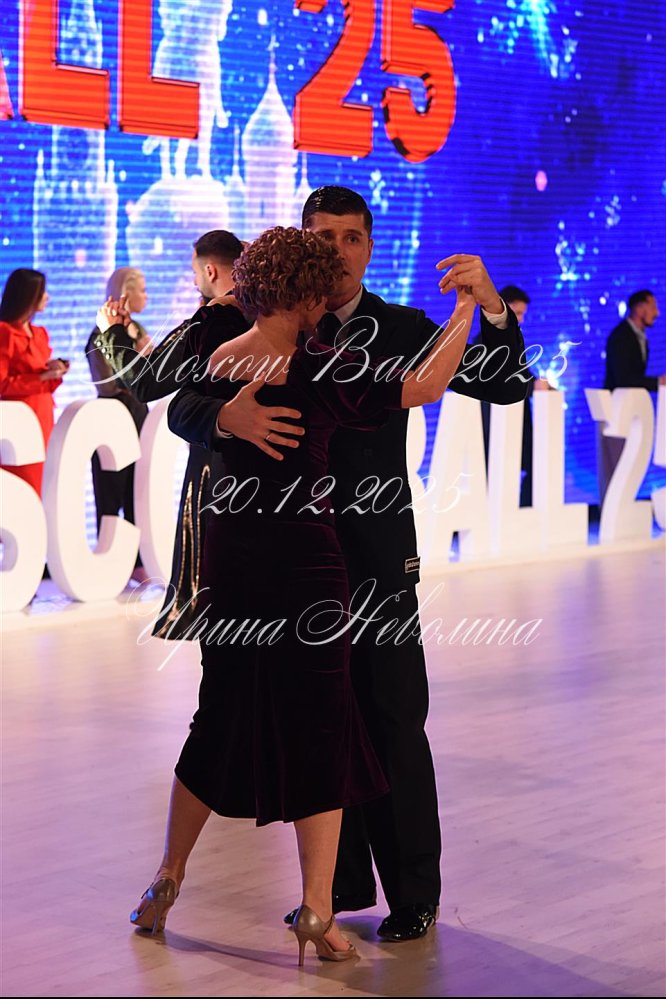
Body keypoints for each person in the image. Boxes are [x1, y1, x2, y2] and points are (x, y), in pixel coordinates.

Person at [166, 187, 531, 942]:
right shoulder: (238, 322)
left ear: (369, 246)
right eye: (323, 237)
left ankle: (412, 894)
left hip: (371, 560)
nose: (337, 251)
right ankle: (330, 893)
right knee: (293, 722)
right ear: (302, 245)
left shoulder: (400, 328)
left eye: (351, 237)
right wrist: (223, 414)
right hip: (268, 567)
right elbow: (177, 404)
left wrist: (490, 308)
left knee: (391, 717)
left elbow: (503, 383)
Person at [92, 232, 248, 637]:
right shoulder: (273, 314)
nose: (194, 280)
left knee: (215, 595)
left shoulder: (209, 322)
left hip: (216, 465)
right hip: (272, 468)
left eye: (195, 272)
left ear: (209, 270)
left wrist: (112, 333)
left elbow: (146, 383)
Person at [85, 268, 152, 566]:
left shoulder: (137, 328)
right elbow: (107, 383)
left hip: (137, 414)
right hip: (113, 418)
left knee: (136, 489)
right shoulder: (101, 333)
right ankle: (108, 560)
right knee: (111, 489)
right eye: (142, 290)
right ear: (125, 293)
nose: (146, 297)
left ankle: (137, 560)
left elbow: (152, 373)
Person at [472, 285, 550, 506]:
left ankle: (524, 511)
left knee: (532, 464)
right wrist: (533, 386)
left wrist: (539, 384)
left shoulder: (513, 340)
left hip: (516, 418)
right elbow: (500, 379)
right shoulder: (483, 341)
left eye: (523, 314)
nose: (521, 319)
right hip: (495, 422)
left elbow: (521, 373)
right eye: (517, 313)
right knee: (494, 471)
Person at [0, 268, 68, 496]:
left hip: (43, 414)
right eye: (42, 292)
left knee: (42, 482)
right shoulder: (5, 332)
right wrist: (40, 377)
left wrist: (54, 371)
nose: (47, 297)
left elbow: (44, 381)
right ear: (28, 295)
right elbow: (3, 384)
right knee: (22, 483)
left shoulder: (40, 333)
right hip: (19, 418)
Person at [599, 290, 666, 503]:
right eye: (652, 307)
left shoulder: (641, 337)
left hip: (630, 410)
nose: (657, 313)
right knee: (616, 468)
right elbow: (624, 377)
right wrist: (658, 382)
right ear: (639, 308)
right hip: (617, 412)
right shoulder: (621, 336)